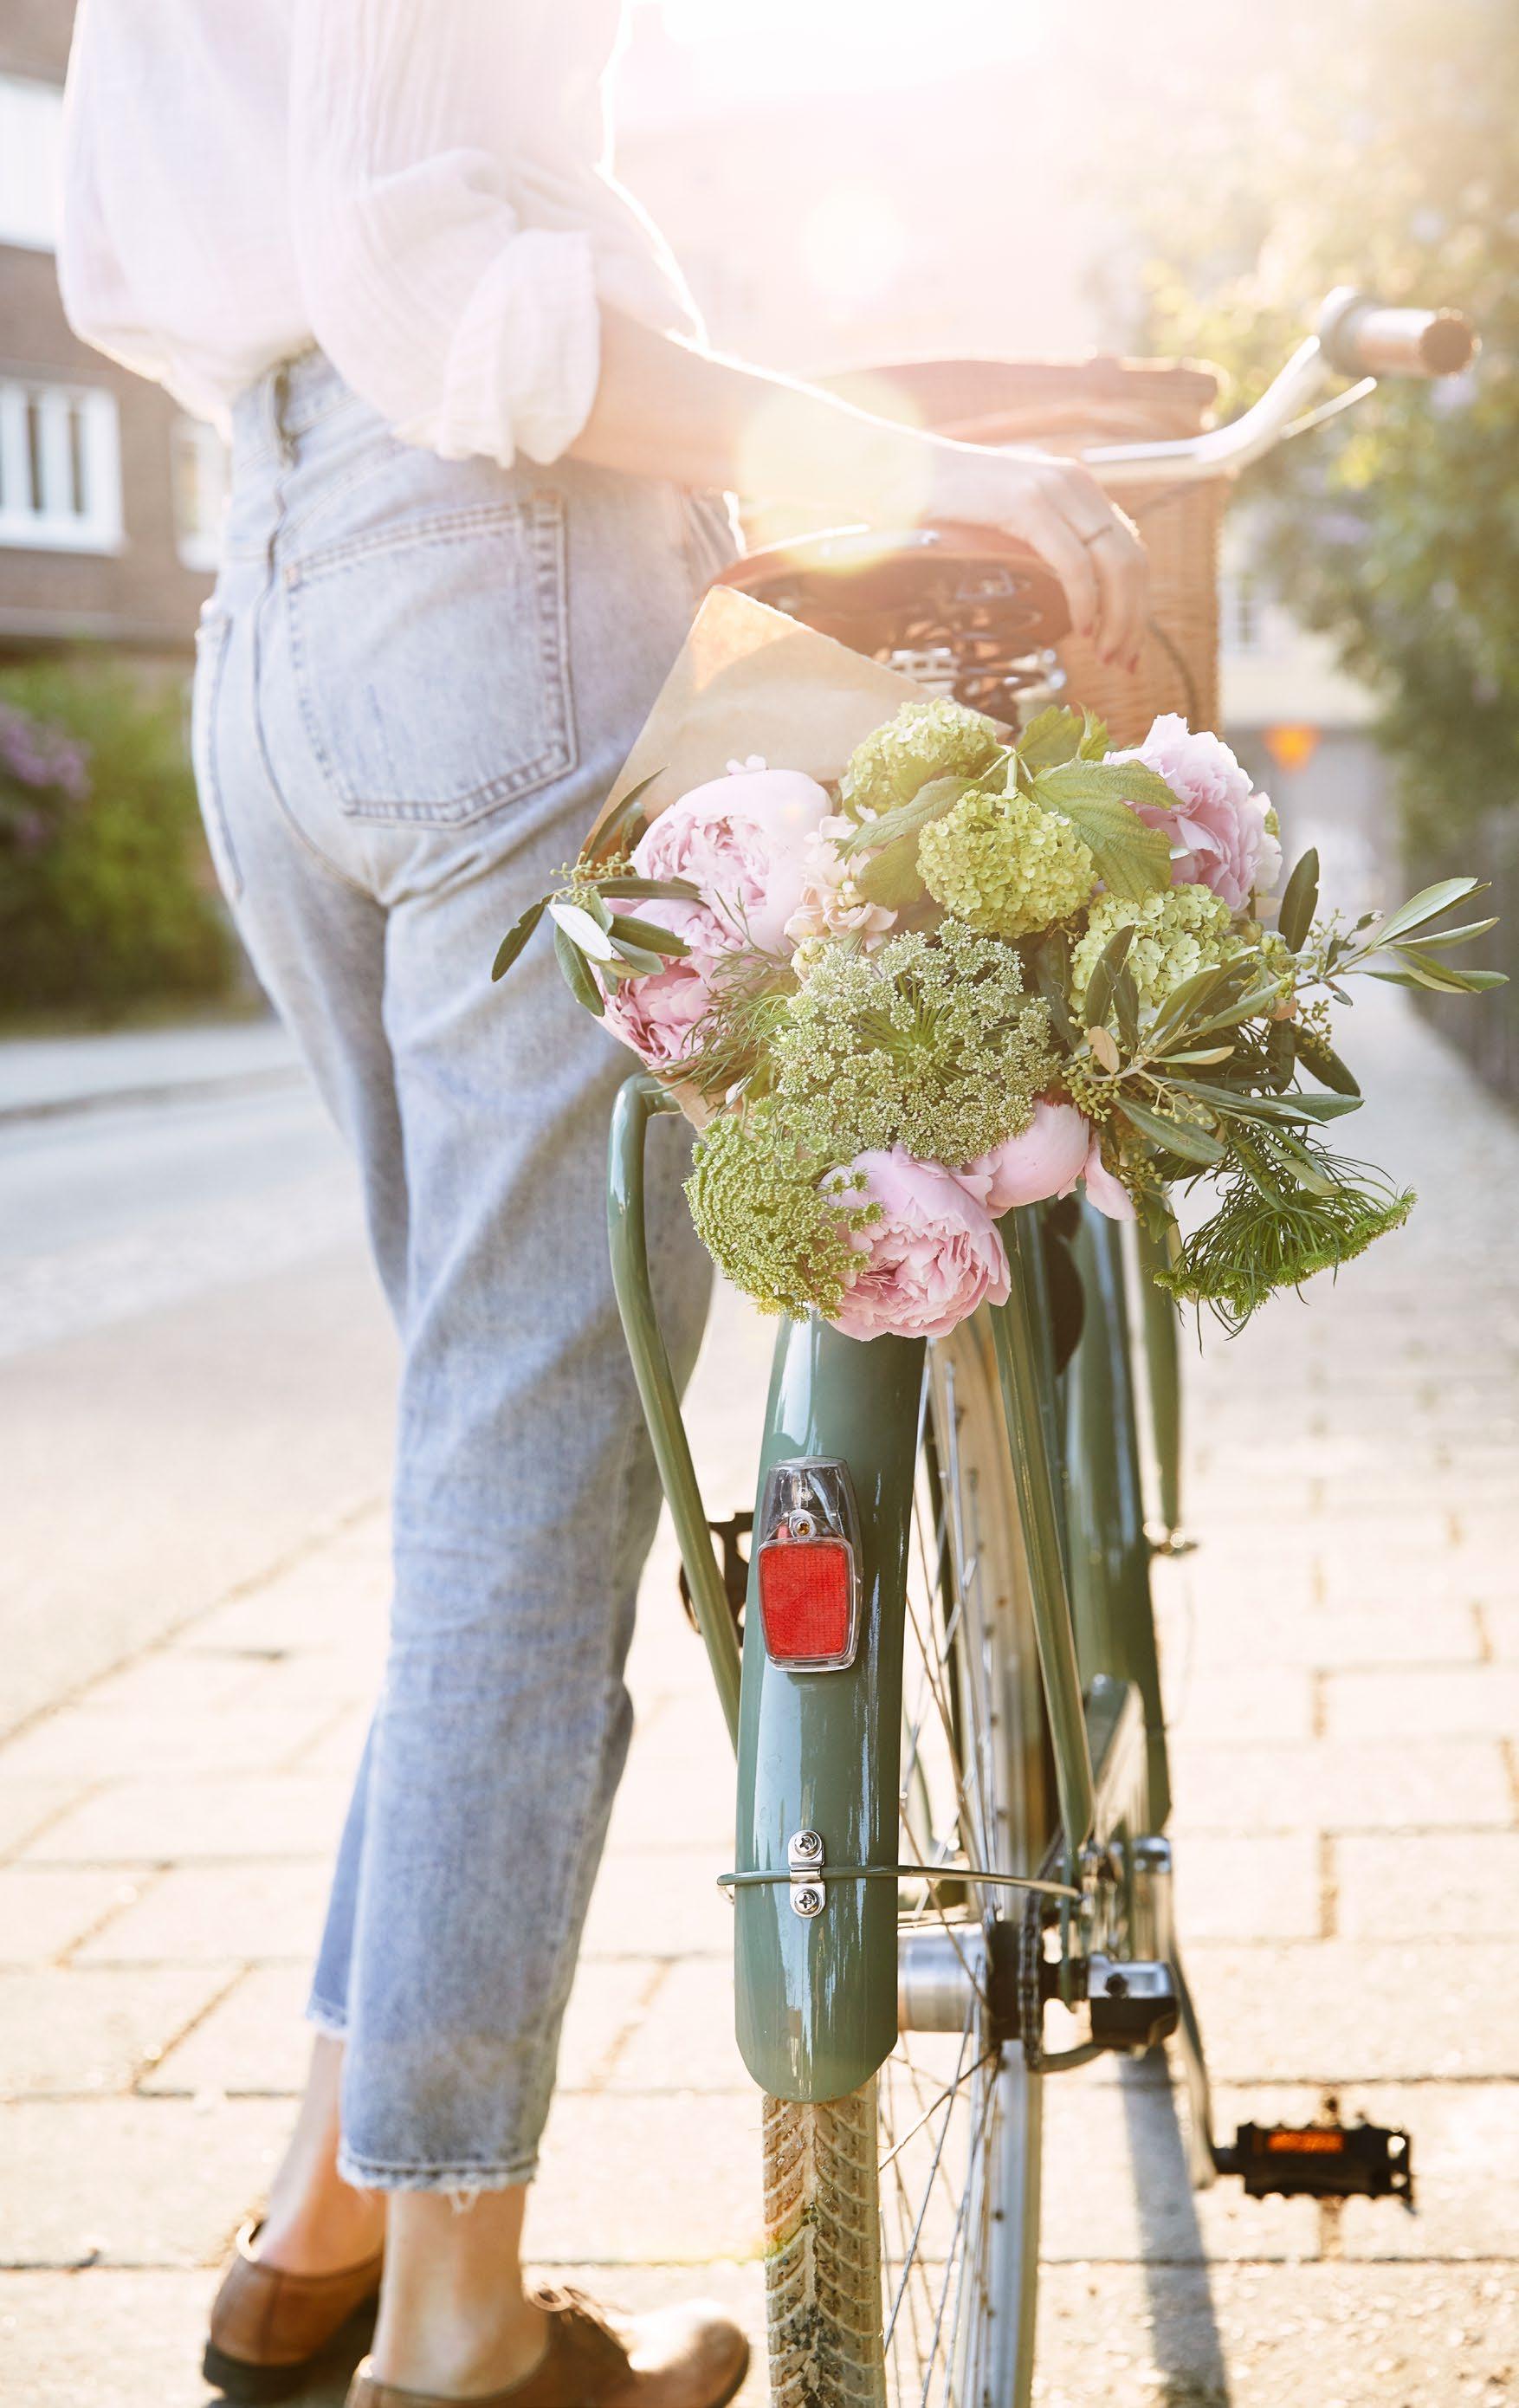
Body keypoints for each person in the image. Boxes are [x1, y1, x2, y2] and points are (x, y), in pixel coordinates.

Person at [58, 6, 1148, 2404]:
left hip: (275, 615)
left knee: (488, 1453)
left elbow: (195, 266)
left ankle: (325, 2219)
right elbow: (438, 294)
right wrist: (918, 460)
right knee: (529, 1483)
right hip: (495, 582)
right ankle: (457, 2315)